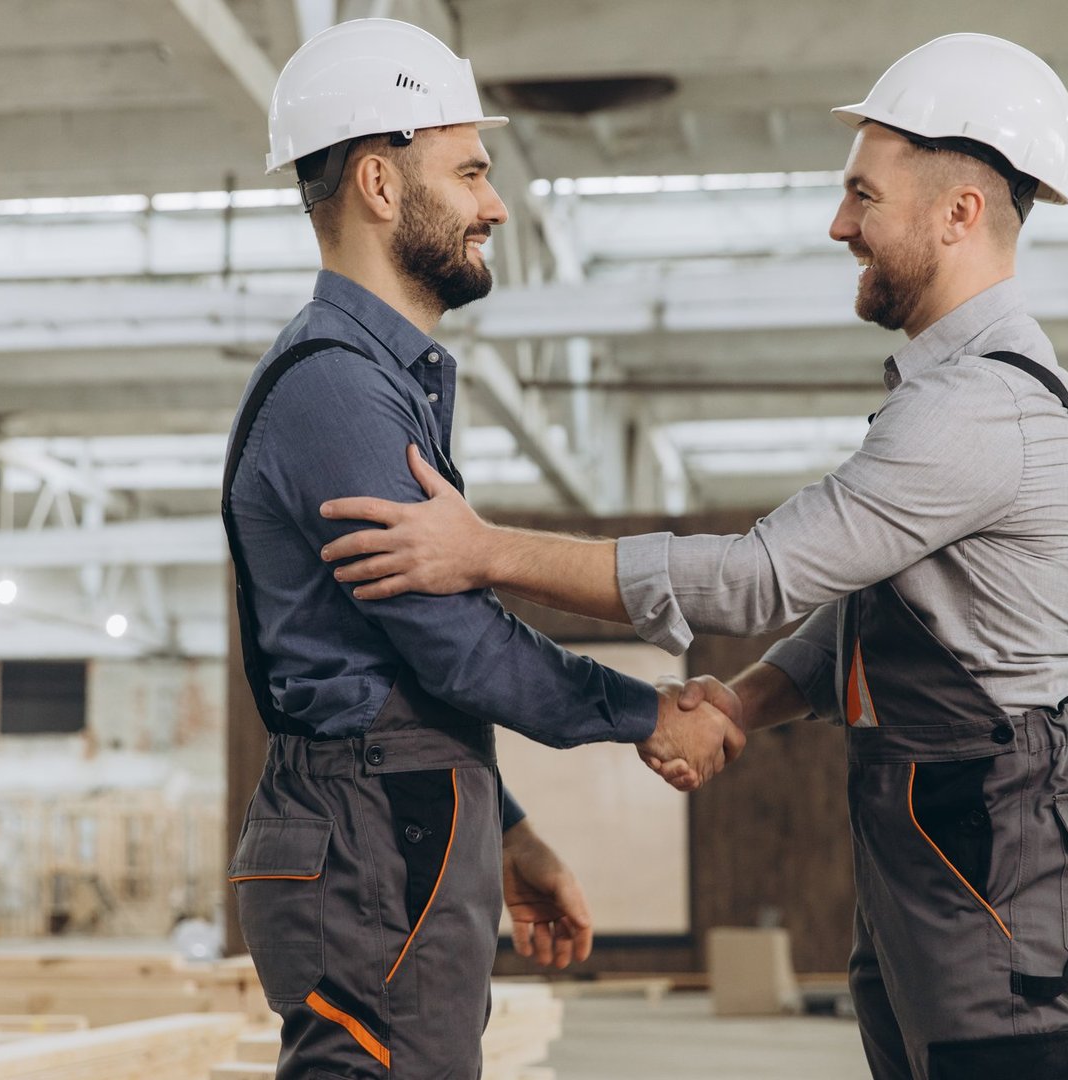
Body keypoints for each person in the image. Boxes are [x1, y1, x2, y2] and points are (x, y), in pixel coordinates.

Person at [317, 33, 1068, 1080]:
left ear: (959, 213)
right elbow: (877, 610)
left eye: (864, 195)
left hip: (1004, 833)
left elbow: (759, 576)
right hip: (948, 827)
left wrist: (485, 552)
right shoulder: (951, 394)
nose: (839, 223)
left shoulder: (978, 407)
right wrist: (745, 704)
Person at [222, 19, 743, 1080]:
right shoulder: (336, 390)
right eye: (469, 173)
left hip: (396, 818)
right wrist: (646, 710)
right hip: (370, 829)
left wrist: (501, 828)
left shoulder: (375, 379)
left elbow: (410, 663)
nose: (495, 204)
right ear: (378, 182)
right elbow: (453, 644)